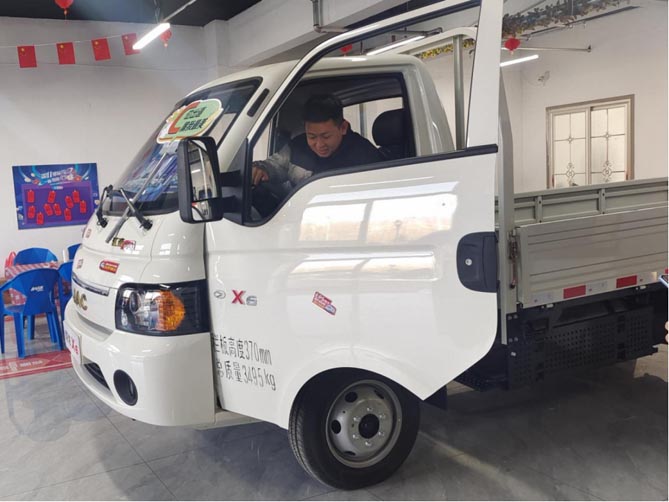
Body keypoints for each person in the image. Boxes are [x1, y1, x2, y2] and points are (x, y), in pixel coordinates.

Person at [251, 94, 382, 188]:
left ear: (343, 128)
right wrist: (262, 169)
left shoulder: (365, 156)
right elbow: (276, 165)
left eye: (326, 136)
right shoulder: (297, 147)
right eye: (312, 137)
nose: (319, 145)